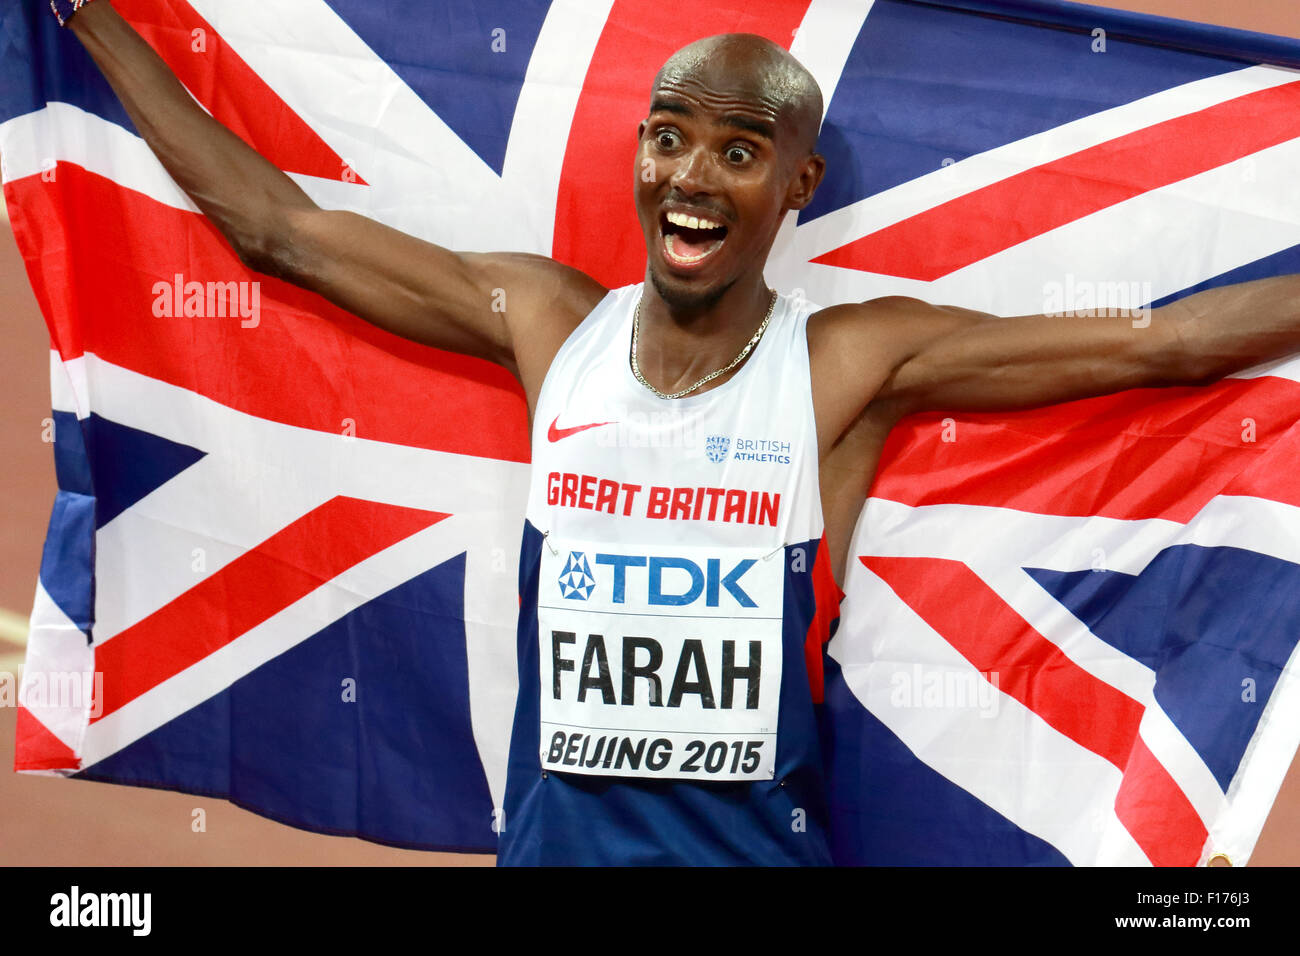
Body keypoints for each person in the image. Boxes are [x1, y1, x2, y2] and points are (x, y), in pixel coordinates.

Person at [59, 1, 1300, 864]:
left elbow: (1164, 343)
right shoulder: (549, 322)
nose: (692, 176)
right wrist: (83, 18)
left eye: (740, 151)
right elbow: (279, 230)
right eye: (669, 139)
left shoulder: (845, 360)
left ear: (798, 184)